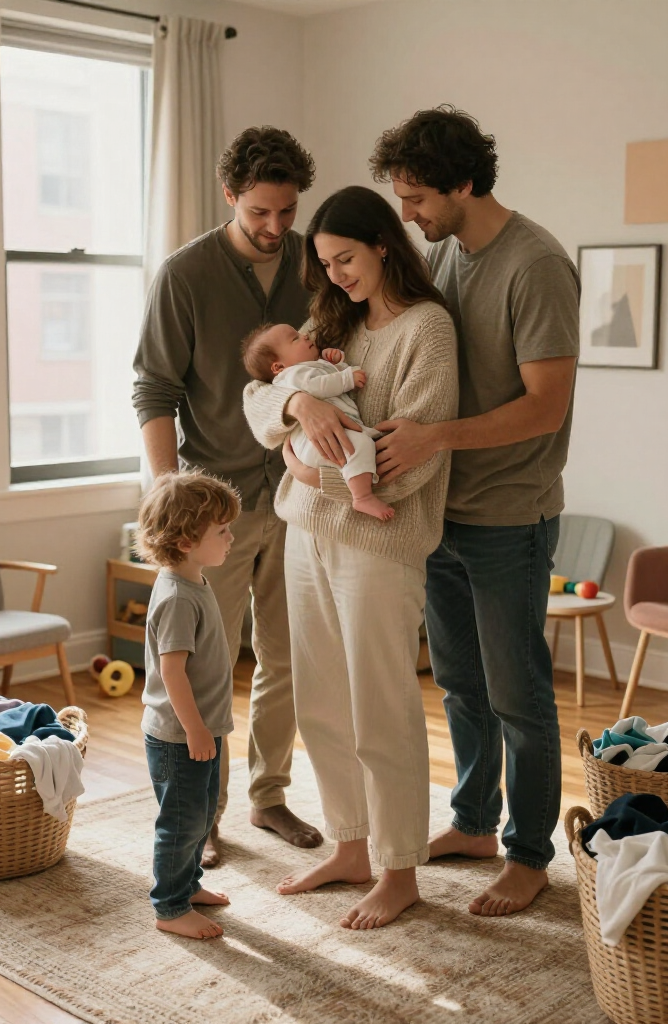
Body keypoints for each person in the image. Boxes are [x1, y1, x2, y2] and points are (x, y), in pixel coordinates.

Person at [366, 105, 580, 917]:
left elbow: (545, 408)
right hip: (444, 515)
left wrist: (432, 440)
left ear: (463, 183)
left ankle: (530, 855)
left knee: (518, 693)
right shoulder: (448, 253)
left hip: (511, 517)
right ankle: (473, 822)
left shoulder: (537, 265)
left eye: (417, 198)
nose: (410, 216)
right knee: (457, 681)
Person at [243, 185, 458, 929]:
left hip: (381, 541)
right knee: (321, 702)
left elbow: (416, 458)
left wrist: (311, 471)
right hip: (305, 534)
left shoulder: (427, 330)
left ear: (384, 246)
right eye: (325, 263)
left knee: (381, 706)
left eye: (345, 259)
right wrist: (298, 406)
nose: (334, 275)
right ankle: (351, 844)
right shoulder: (330, 321)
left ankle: (400, 869)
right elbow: (259, 397)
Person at [133, 126, 323, 867]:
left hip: (303, 496)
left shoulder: (313, 262)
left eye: (286, 211)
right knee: (205, 664)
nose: (276, 228)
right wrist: (169, 489)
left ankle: (268, 795)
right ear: (230, 197)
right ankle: (199, 809)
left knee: (287, 657)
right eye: (260, 214)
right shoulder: (185, 274)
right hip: (216, 508)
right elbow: (154, 385)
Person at [136, 471, 241, 940]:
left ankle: (188, 885)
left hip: (200, 727)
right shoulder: (178, 597)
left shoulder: (192, 579)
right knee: (180, 822)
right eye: (221, 531)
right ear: (184, 541)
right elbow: (172, 672)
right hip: (181, 735)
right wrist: (197, 730)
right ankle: (170, 906)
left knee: (201, 814)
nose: (230, 537)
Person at [240, 324, 392, 520]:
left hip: (322, 440)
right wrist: (346, 378)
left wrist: (336, 363)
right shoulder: (292, 376)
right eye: (295, 338)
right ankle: (362, 496)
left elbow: (334, 379)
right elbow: (318, 386)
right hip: (312, 442)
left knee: (362, 446)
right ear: (278, 367)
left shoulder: (308, 366)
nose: (304, 335)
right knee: (359, 447)